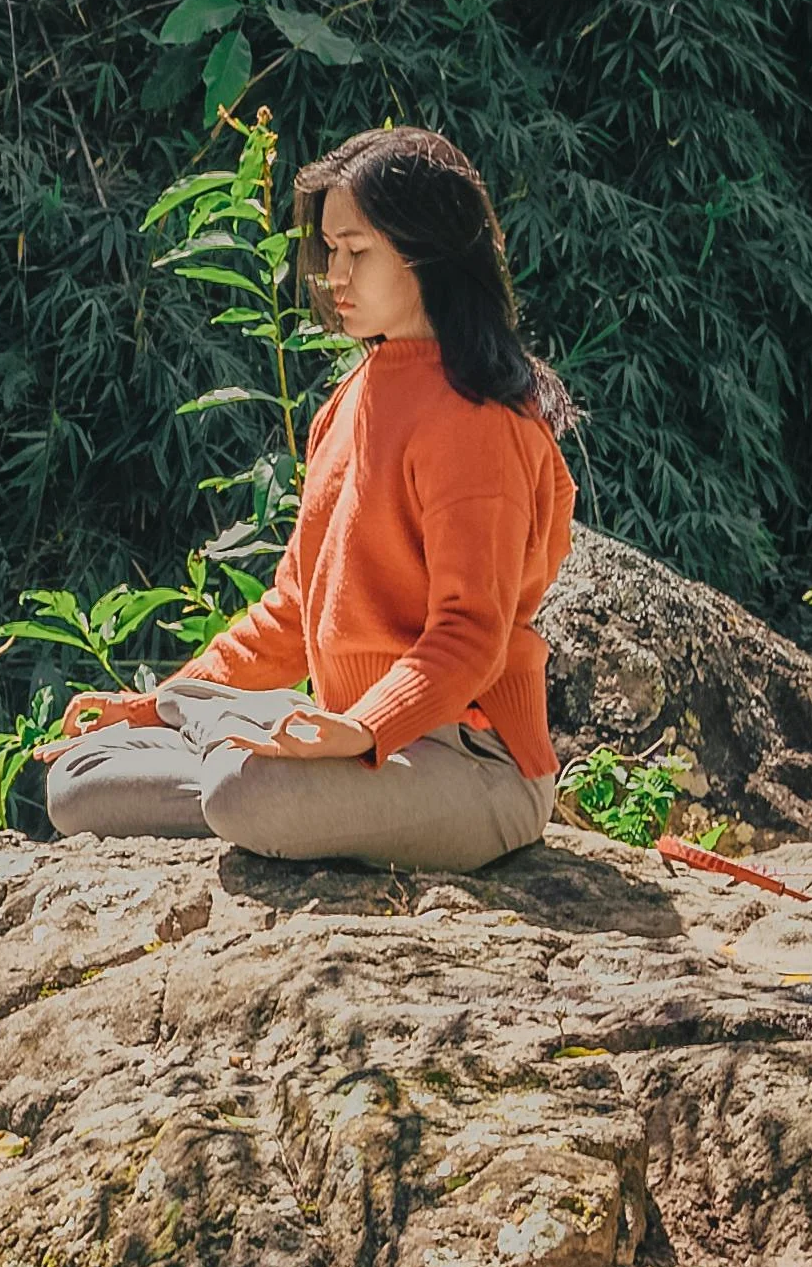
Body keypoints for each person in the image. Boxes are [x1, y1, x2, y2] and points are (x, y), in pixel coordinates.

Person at [41, 125, 576, 872]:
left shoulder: (476, 422)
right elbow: (292, 612)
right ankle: (246, 761)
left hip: (474, 763)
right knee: (78, 779)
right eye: (328, 251)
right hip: (344, 741)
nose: (333, 275)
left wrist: (361, 729)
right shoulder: (351, 400)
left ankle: (258, 775)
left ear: (427, 252)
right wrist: (158, 700)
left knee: (241, 791)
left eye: (357, 251)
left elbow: (470, 636)